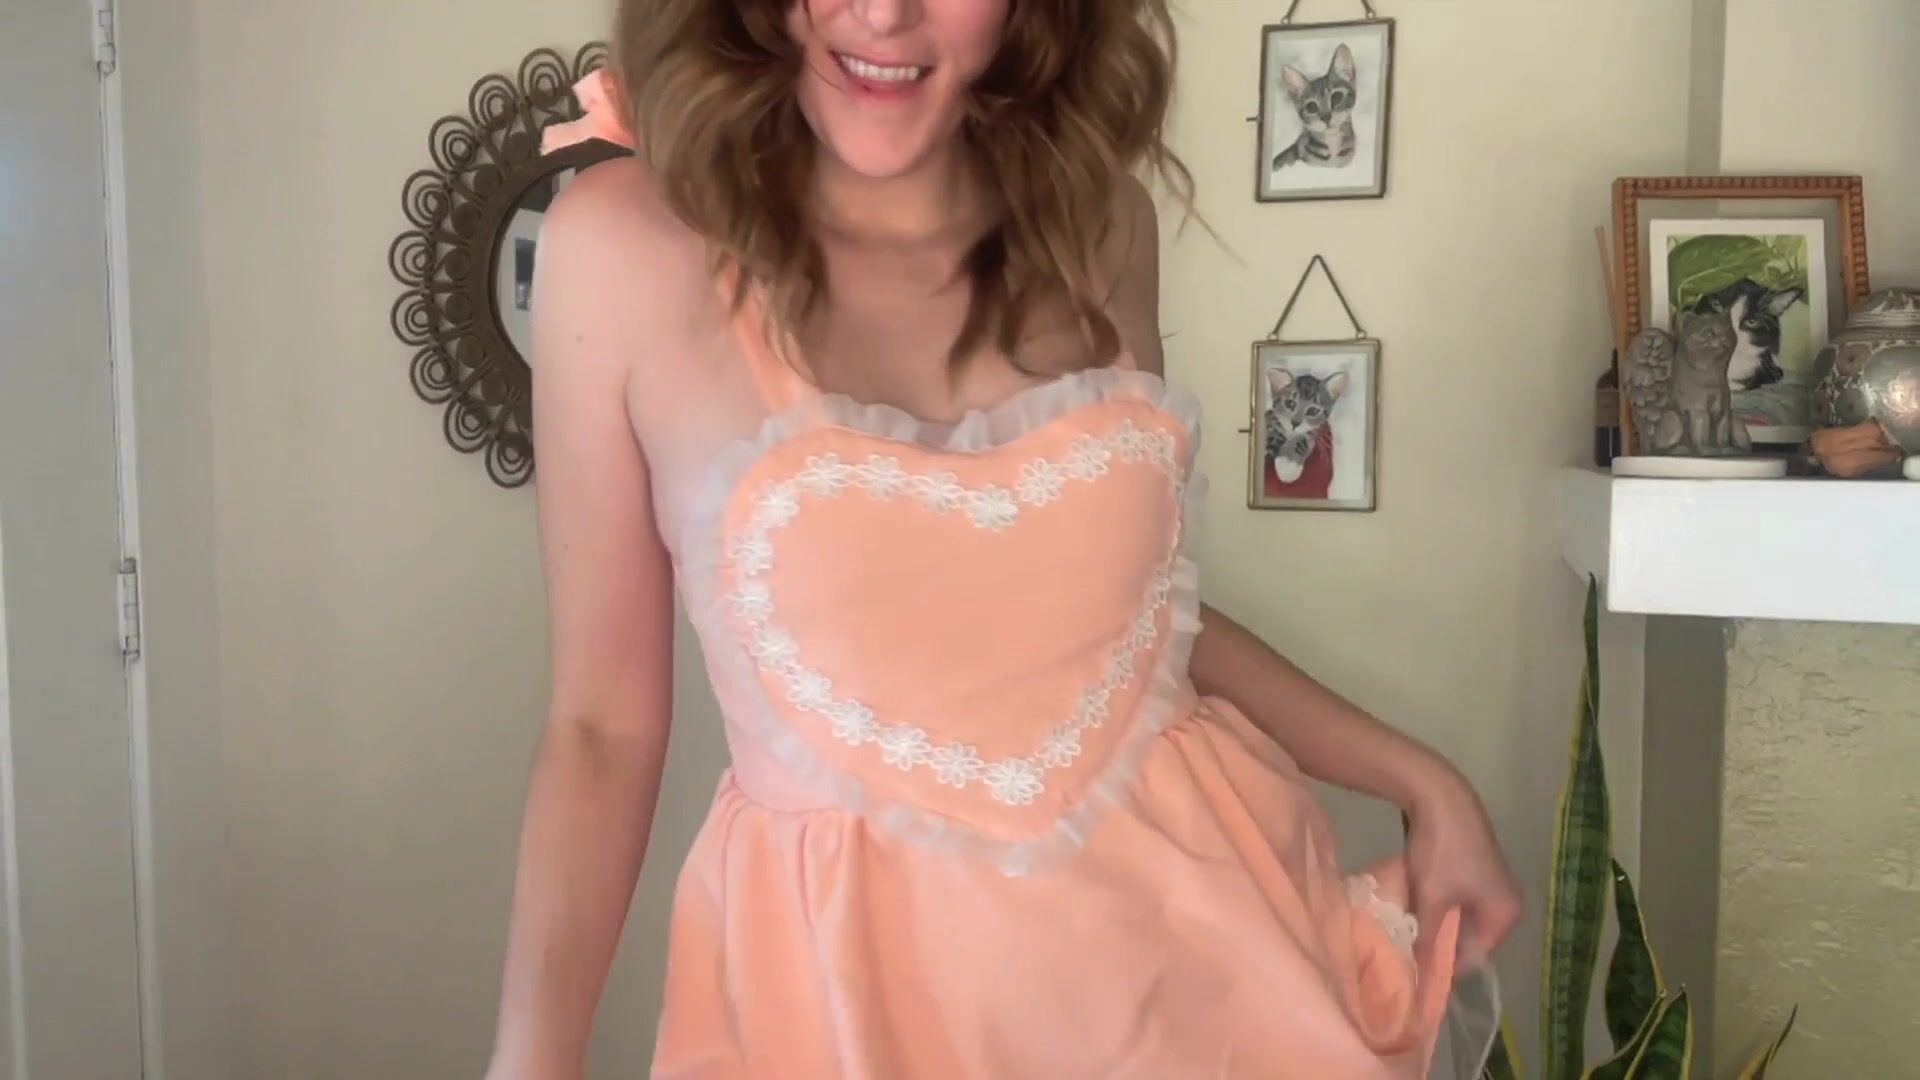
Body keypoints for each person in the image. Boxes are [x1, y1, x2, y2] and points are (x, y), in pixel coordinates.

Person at [487, 2, 1521, 1077]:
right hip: (850, 1016)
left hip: (1199, 992)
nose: (883, 13)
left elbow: (1134, 626)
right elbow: (602, 727)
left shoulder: (1102, 227)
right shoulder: (624, 246)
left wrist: (1422, 780)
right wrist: (531, 1060)